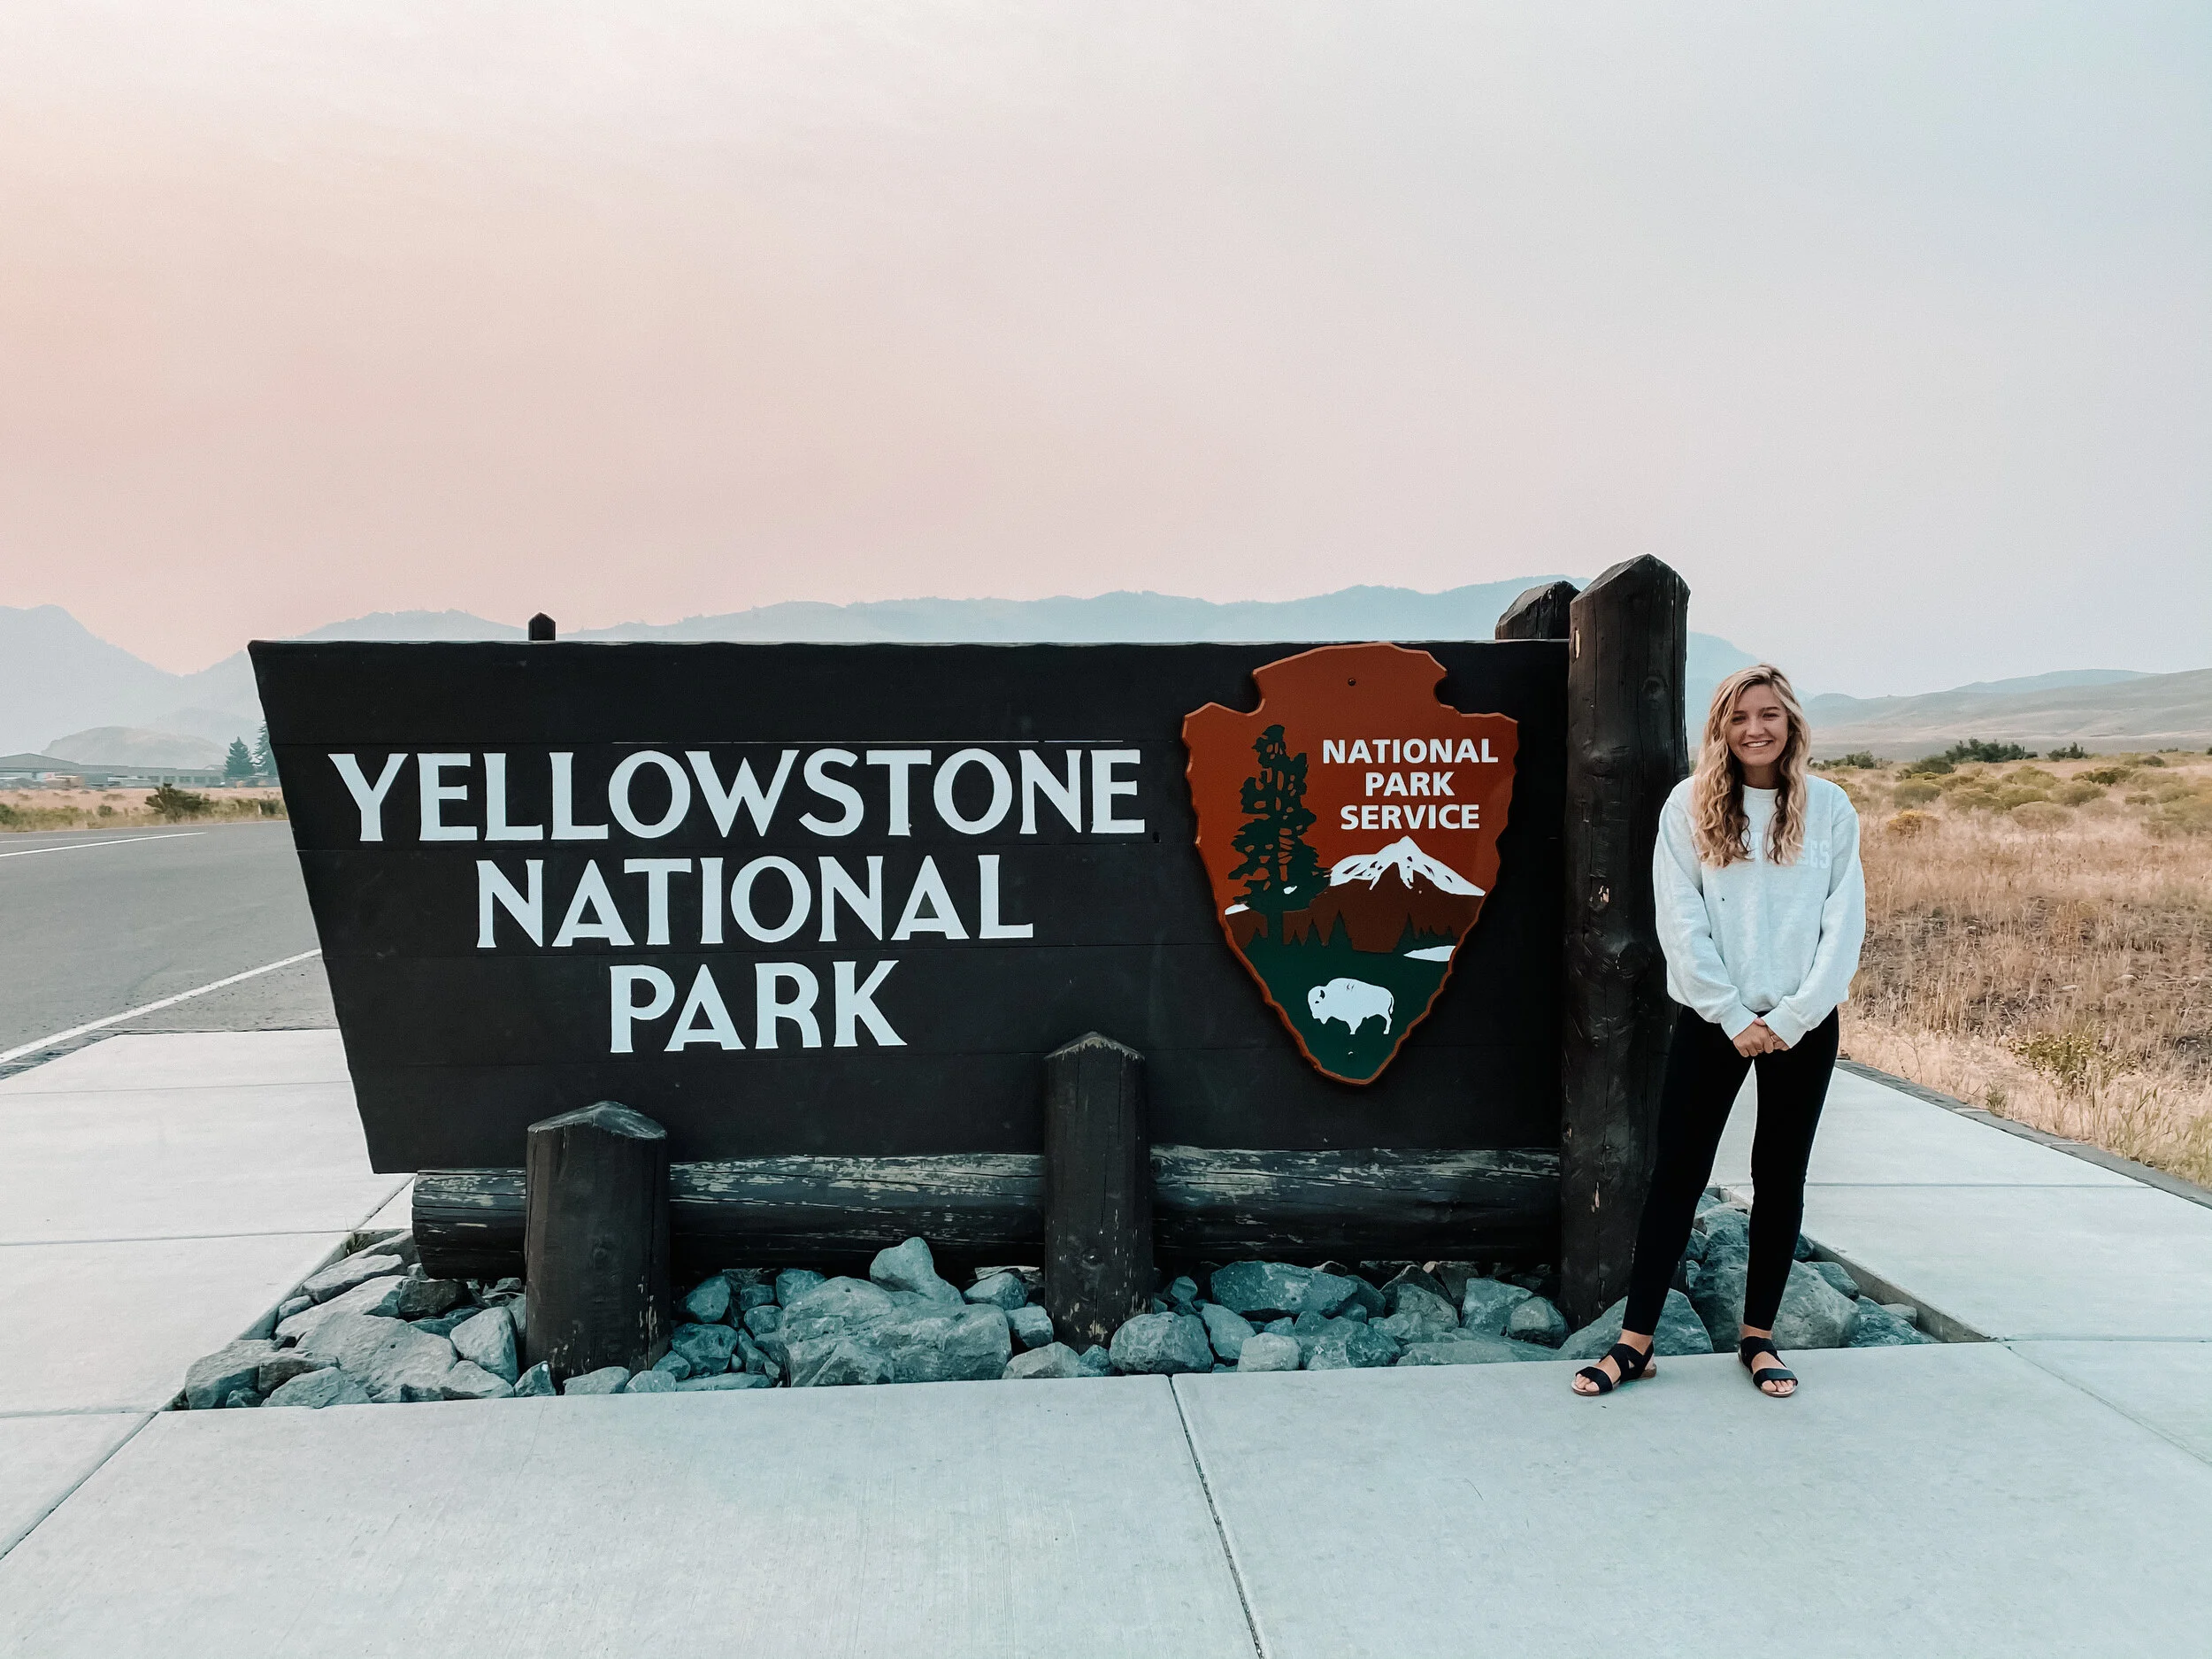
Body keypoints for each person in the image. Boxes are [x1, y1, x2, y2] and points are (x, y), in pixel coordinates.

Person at [1571, 664, 1865, 1400]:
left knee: (1780, 1176)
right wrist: (1734, 1015)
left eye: (1769, 714)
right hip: (1714, 1022)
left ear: (1791, 722)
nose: (1755, 729)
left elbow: (1843, 925)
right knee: (1678, 1174)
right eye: (1739, 718)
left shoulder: (1829, 809)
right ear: (1721, 729)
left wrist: (1793, 1017)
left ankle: (1759, 1339)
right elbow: (1681, 919)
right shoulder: (1690, 806)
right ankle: (1636, 1341)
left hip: (1803, 1023)